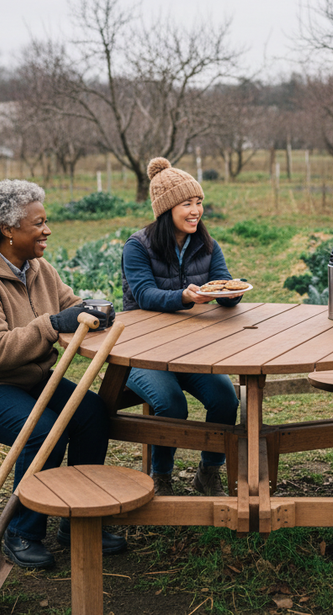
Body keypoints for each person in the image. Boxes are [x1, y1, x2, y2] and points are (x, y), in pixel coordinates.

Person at [0, 179, 126, 570]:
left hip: (25, 378)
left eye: (45, 221)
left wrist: (93, 311)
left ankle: (77, 518)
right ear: (8, 229)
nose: (47, 230)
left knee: (91, 413)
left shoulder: (36, 268)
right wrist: (52, 324)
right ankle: (22, 531)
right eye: (38, 223)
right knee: (42, 431)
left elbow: (69, 305)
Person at [121, 157, 241, 497]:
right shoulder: (138, 246)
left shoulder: (207, 244)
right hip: (141, 350)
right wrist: (183, 297)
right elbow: (144, 295)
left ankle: (208, 472)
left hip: (190, 349)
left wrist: (231, 293)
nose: (196, 211)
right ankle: (161, 476)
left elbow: (222, 282)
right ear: (166, 208)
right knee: (172, 404)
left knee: (225, 399)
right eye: (187, 203)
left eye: (198, 202)